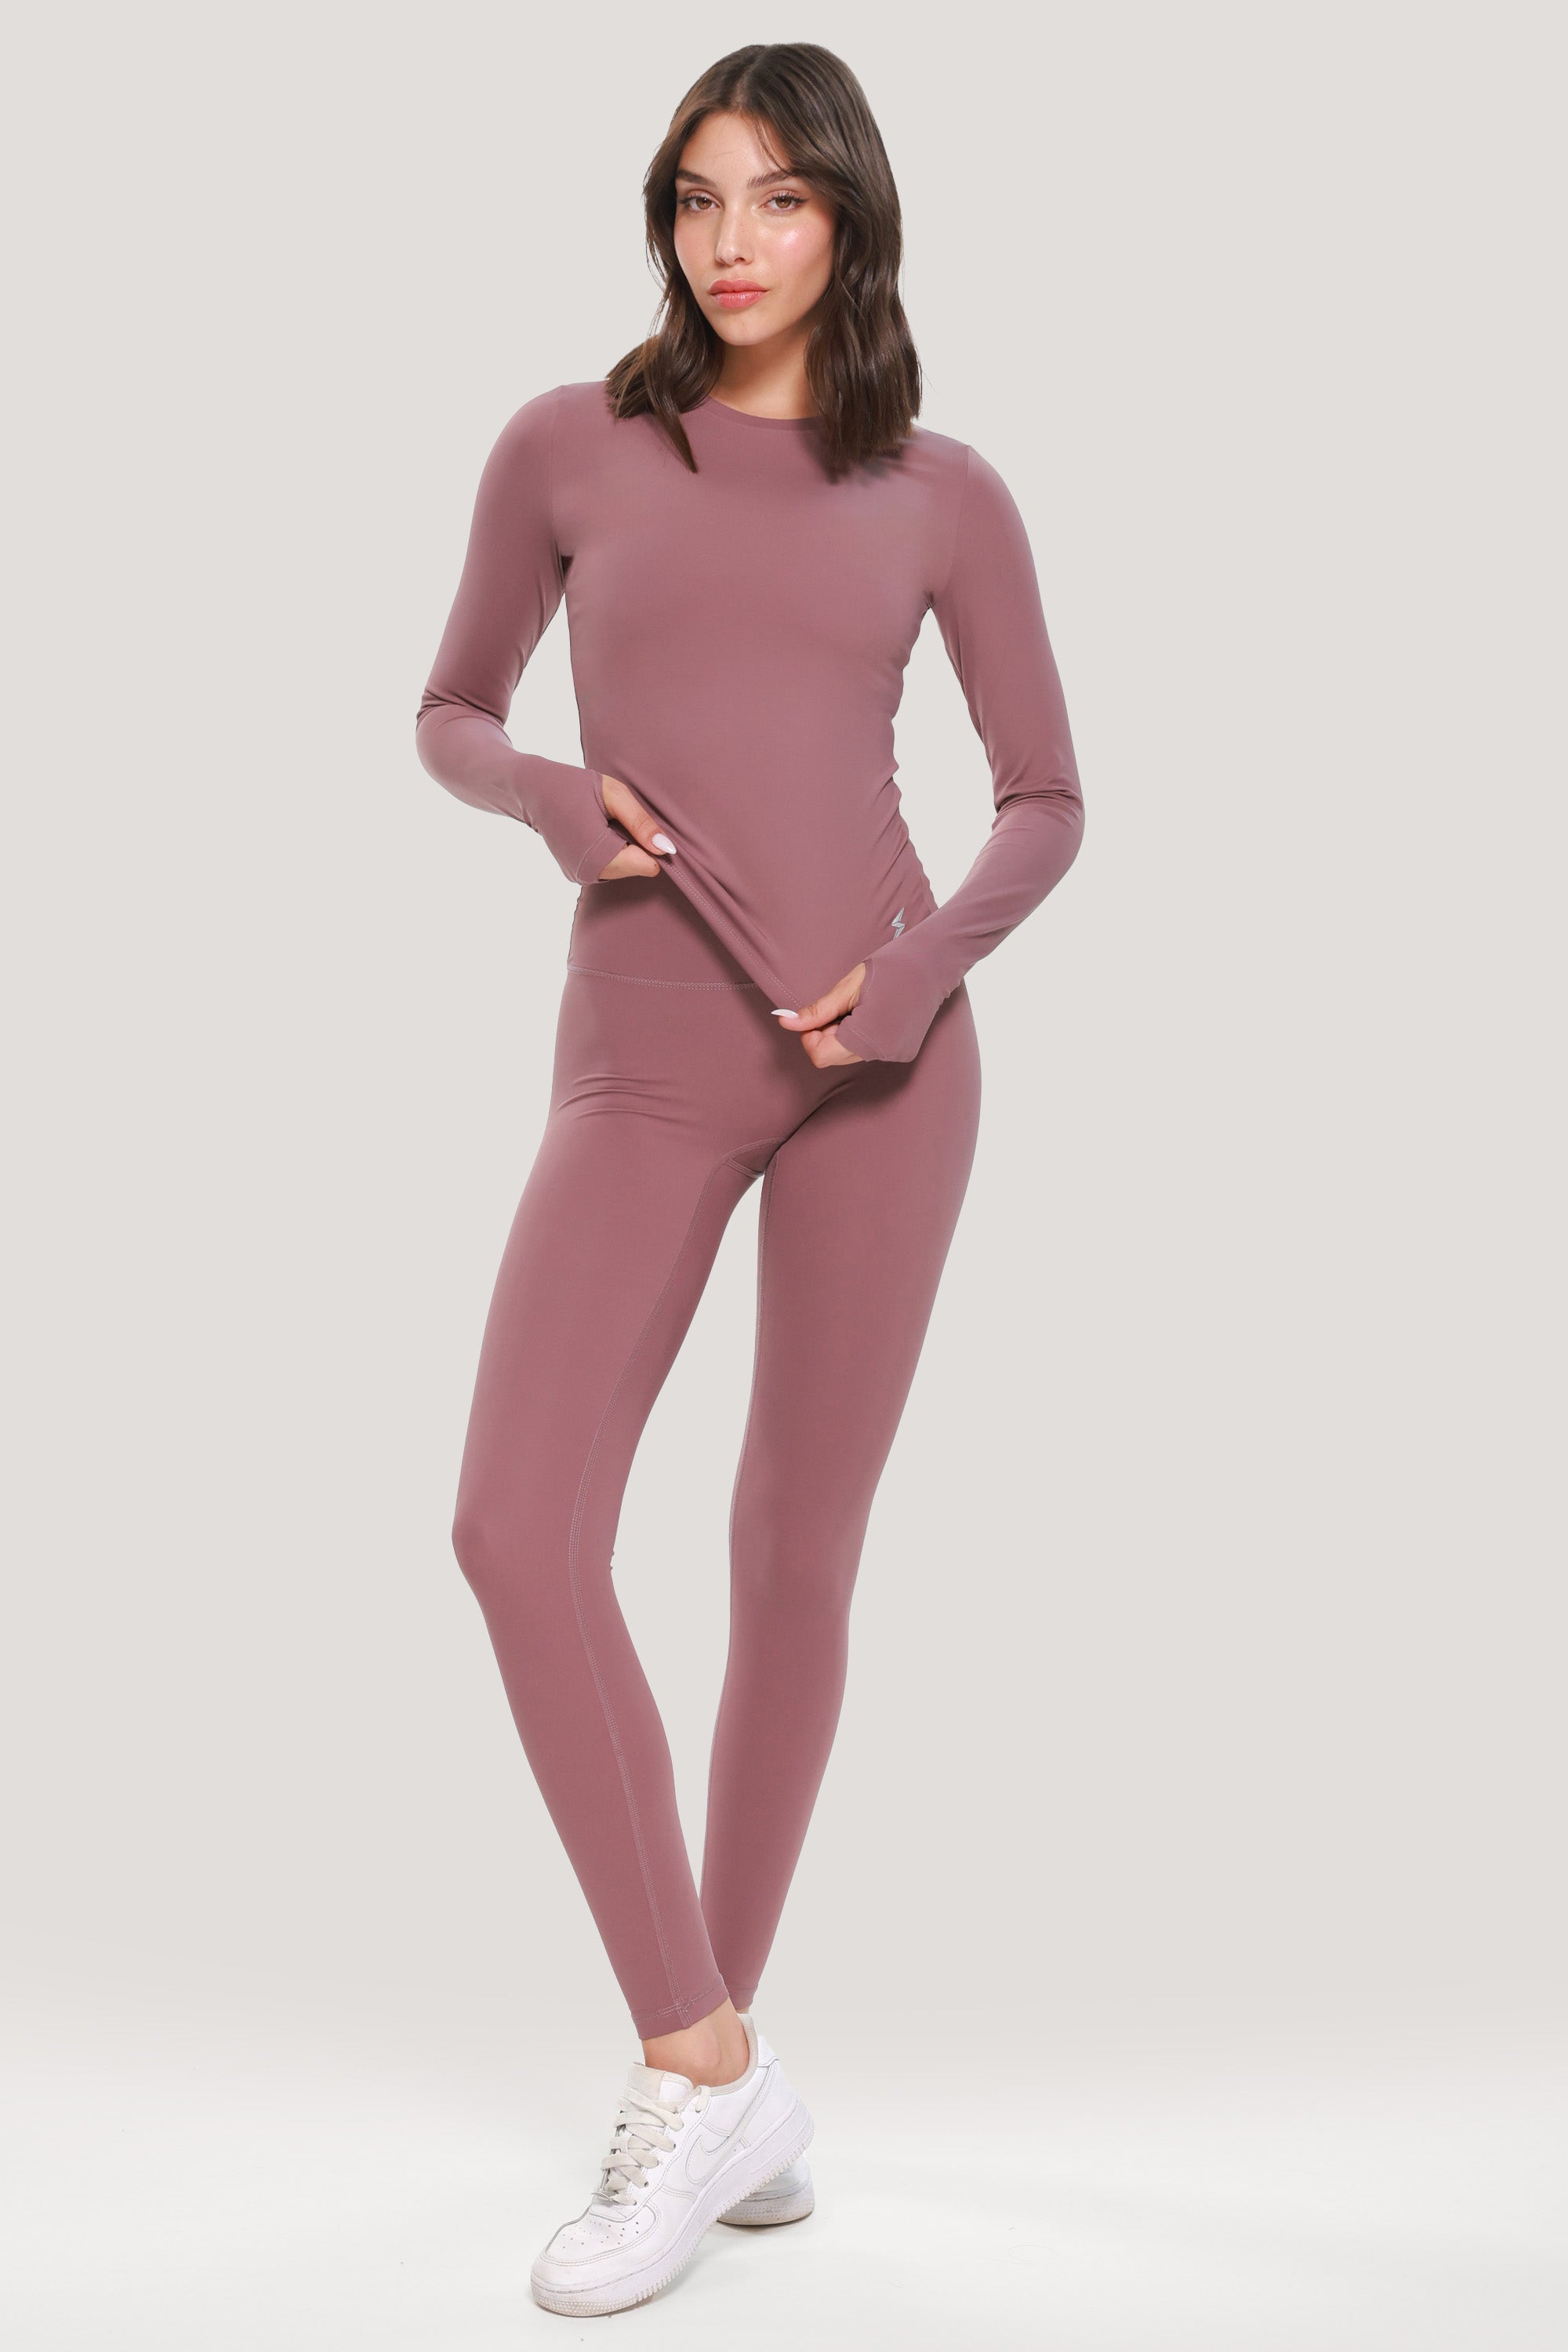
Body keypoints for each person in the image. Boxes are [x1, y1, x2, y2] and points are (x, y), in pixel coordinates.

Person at [414, 42, 1083, 2320]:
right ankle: (709, 2062)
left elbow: (1046, 799)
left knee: (792, 1556)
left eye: (778, 198)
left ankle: (709, 2093)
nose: (731, 239)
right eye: (698, 196)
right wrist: (546, 798)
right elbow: (450, 708)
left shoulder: (944, 492)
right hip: (644, 1057)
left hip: (889, 1071)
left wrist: (920, 979)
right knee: (515, 1525)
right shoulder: (566, 447)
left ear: (850, 223)